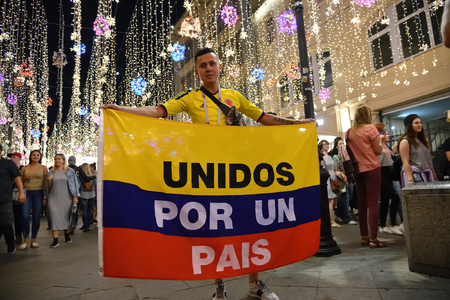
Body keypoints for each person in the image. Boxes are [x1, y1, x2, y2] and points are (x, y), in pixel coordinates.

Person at [102, 47, 315, 300]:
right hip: (208, 174)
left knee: (253, 222)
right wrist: (122, 110)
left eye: (212, 63)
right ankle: (219, 286)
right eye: (203, 65)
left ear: (219, 66)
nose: (208, 69)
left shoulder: (235, 96)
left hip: (240, 169)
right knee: (214, 229)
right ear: (198, 72)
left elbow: (264, 117)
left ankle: (254, 285)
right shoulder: (190, 97)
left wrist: (297, 124)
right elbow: (158, 111)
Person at [345, 105, 386, 248]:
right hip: (372, 168)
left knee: (362, 204)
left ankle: (364, 236)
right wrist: (381, 141)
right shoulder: (371, 129)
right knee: (373, 203)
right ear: (368, 115)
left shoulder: (349, 132)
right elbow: (378, 150)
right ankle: (374, 239)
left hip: (358, 170)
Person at [44, 154, 79, 248]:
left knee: (65, 217)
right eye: (55, 159)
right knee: (54, 217)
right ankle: (55, 240)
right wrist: (49, 180)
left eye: (59, 159)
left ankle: (66, 234)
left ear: (63, 160)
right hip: (53, 197)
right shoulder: (50, 172)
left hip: (66, 197)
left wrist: (75, 196)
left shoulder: (70, 172)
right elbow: (47, 188)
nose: (57, 160)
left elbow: (75, 184)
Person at [374, 123, 402, 235]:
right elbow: (376, 154)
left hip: (389, 172)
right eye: (383, 132)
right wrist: (379, 140)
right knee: (395, 197)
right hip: (380, 172)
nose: (386, 134)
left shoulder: (386, 145)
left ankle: (383, 225)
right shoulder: (377, 144)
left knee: (385, 200)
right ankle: (393, 224)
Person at [19, 150, 48, 250]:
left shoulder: (43, 168)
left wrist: (45, 197)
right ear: (30, 156)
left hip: (38, 193)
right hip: (27, 193)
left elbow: (46, 183)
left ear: (40, 157)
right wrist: (25, 178)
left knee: (36, 217)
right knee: (25, 216)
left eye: (37, 155)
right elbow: (19, 180)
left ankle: (33, 239)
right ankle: (25, 239)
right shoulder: (24, 168)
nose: (35, 157)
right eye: (34, 155)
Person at [0, 145, 26, 254]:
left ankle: (10, 243)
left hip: (4, 197)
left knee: (6, 223)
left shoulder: (8, 164)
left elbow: (17, 179)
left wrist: (21, 193)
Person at [398, 114, 437, 186]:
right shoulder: (405, 141)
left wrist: (434, 175)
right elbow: (405, 162)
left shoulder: (422, 140)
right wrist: (410, 180)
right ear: (409, 125)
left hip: (427, 172)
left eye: (420, 122)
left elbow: (428, 159)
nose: (419, 125)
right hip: (415, 173)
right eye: (416, 123)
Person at [319, 140, 347, 228]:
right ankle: (331, 221)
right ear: (321, 146)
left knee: (334, 200)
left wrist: (340, 174)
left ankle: (331, 218)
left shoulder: (330, 156)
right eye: (325, 144)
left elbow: (335, 168)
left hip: (333, 177)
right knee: (330, 201)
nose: (327, 145)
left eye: (327, 144)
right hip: (327, 179)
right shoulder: (321, 157)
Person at [330, 138, 357, 225]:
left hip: (349, 178)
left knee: (350, 197)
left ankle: (338, 213)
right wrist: (343, 178)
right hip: (342, 179)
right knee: (346, 198)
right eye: (340, 144)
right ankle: (347, 218)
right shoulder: (335, 157)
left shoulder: (348, 154)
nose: (342, 145)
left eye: (343, 143)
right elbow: (336, 168)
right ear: (336, 146)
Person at [7, 151, 24, 244]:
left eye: (14, 157)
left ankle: (18, 234)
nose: (12, 159)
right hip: (8, 194)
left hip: (17, 194)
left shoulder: (22, 168)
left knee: (18, 216)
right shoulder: (8, 168)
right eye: (11, 157)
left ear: (19, 158)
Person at [78, 163, 96, 232]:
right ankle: (88, 225)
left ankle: (84, 225)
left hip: (83, 194)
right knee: (90, 210)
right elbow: (95, 185)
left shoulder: (80, 176)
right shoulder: (93, 176)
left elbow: (79, 184)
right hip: (92, 194)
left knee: (84, 210)